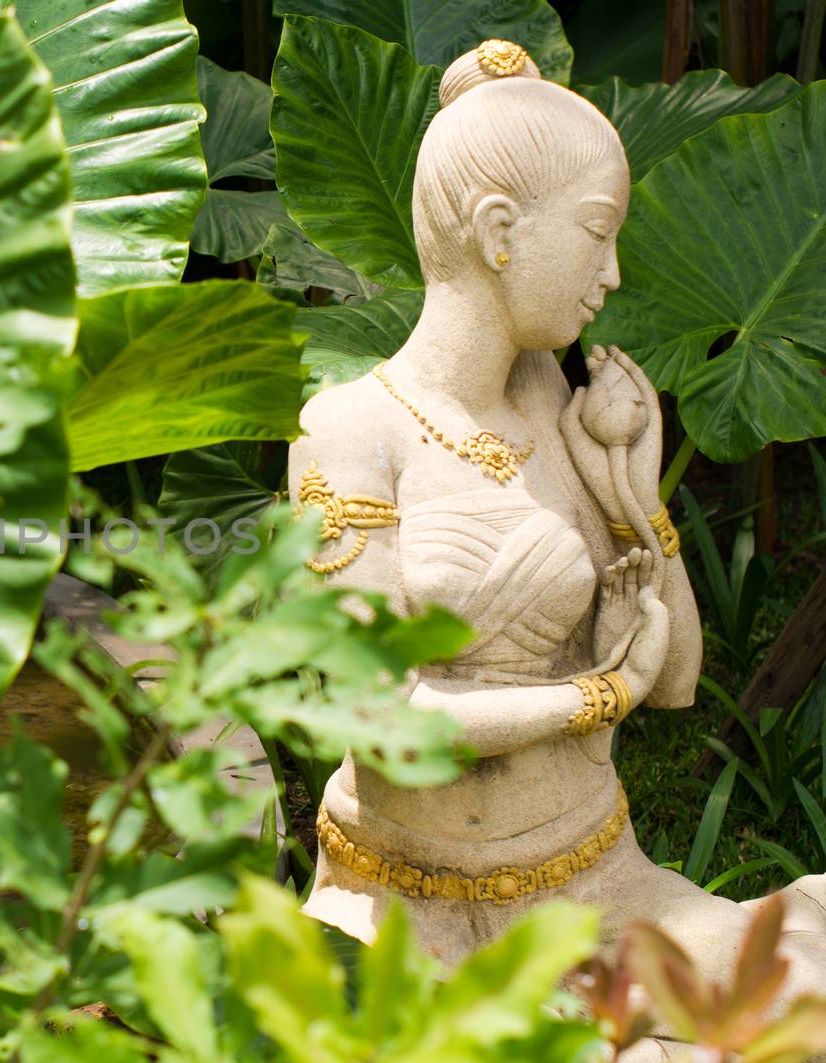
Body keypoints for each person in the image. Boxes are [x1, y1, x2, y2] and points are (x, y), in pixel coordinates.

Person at [291, 38, 826, 1015]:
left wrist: (631, 487)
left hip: (596, 877)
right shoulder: (349, 431)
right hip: (420, 911)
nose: (614, 271)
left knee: (804, 991)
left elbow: (670, 683)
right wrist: (592, 696)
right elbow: (382, 715)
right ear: (500, 231)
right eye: (595, 232)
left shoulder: (551, 403)